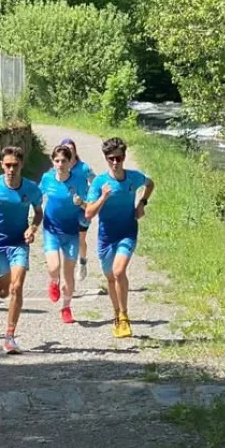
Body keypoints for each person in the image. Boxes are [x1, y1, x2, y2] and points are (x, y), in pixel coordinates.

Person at [0, 145, 44, 354]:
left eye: (15, 165)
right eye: (8, 165)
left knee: (16, 287)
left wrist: (32, 228)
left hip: (19, 243)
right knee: (3, 292)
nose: (11, 169)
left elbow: (39, 212)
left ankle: (10, 336)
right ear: (1, 165)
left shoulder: (31, 188)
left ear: (21, 164)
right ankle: (9, 329)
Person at [84, 137, 154, 338]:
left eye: (119, 158)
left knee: (119, 271)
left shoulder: (134, 177)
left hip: (127, 232)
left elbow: (150, 184)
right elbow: (89, 213)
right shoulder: (99, 182)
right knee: (110, 277)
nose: (115, 162)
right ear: (106, 159)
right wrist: (103, 197)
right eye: (111, 159)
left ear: (124, 157)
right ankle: (116, 314)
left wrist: (142, 203)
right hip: (106, 237)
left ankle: (124, 316)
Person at [39, 145, 91, 325]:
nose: (60, 164)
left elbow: (89, 207)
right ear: (52, 162)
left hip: (71, 232)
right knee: (54, 267)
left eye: (64, 161)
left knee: (69, 275)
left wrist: (81, 202)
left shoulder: (79, 181)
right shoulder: (47, 178)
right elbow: (36, 197)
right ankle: (54, 281)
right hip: (51, 230)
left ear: (70, 162)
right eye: (57, 161)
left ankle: (66, 308)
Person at [61, 138, 96, 281]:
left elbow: (95, 183)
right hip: (65, 210)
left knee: (80, 239)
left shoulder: (84, 168)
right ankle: (68, 271)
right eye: (66, 149)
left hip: (82, 209)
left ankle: (82, 262)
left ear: (75, 152)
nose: (69, 152)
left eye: (71, 149)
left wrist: (90, 199)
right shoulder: (60, 167)